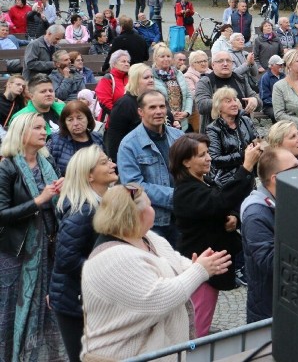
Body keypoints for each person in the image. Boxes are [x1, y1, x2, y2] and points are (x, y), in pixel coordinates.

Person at [80, 183, 229, 360]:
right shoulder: (113, 259)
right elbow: (159, 299)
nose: (154, 209)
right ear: (136, 216)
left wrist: (195, 265)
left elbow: (174, 260)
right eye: (150, 205)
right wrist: (199, 271)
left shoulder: (148, 237)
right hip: (120, 357)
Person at [171, 133, 259, 336]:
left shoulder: (202, 181)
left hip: (210, 266)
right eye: (202, 155)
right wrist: (245, 168)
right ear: (186, 162)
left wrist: (234, 217)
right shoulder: (186, 191)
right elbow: (219, 201)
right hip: (201, 267)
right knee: (197, 329)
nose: (209, 158)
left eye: (208, 153)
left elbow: (223, 204)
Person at [0, 112, 65, 361]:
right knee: (12, 308)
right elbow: (2, 214)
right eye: (37, 128)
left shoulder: (47, 163)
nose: (44, 132)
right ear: (22, 133)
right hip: (17, 252)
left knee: (46, 311)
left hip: (48, 247)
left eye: (44, 128)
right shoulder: (7, 166)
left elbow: (56, 202)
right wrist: (38, 201)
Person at [49, 146, 116, 362]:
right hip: (74, 302)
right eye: (104, 162)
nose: (112, 165)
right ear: (89, 175)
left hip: (87, 298)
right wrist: (104, 272)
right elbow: (67, 260)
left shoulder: (103, 203)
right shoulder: (83, 211)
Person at [117, 90, 184, 245]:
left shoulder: (179, 137)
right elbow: (133, 187)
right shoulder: (129, 144)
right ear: (141, 111)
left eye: (162, 106)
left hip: (182, 215)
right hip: (153, 221)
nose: (159, 111)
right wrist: (176, 195)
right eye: (152, 107)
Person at [241, 148, 297, 322]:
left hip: (287, 302)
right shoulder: (255, 215)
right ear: (276, 178)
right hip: (268, 311)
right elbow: (272, 263)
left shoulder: (287, 201)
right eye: (295, 168)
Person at [205, 87, 261, 183]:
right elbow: (215, 160)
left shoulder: (245, 121)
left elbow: (256, 142)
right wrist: (243, 155)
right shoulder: (213, 129)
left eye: (235, 100)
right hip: (225, 181)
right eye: (228, 101)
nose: (234, 104)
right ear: (218, 107)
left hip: (248, 176)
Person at [195, 51, 260, 130]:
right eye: (220, 61)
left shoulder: (240, 79)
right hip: (216, 133)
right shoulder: (205, 81)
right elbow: (202, 106)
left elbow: (259, 103)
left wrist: (255, 100)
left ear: (232, 64)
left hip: (243, 131)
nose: (225, 64)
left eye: (228, 61)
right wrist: (230, 103)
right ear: (213, 65)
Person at [47, 100, 106, 176]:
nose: (75, 123)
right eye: (70, 120)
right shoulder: (55, 141)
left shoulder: (97, 138)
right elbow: (49, 171)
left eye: (79, 118)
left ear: (88, 119)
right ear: (64, 122)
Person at [152, 44, 193, 131]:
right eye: (162, 56)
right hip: (163, 124)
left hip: (182, 122)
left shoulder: (179, 74)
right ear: (155, 58)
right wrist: (169, 114)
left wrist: (186, 112)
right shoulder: (151, 77)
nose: (166, 59)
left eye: (168, 56)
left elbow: (189, 95)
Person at [95, 49, 130, 123]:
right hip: (111, 122)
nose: (127, 64)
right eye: (123, 61)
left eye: (128, 62)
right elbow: (105, 103)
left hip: (130, 122)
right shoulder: (108, 79)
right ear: (114, 64)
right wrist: (120, 116)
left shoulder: (131, 79)